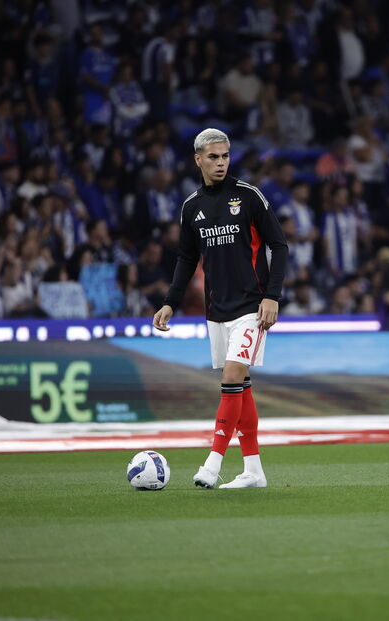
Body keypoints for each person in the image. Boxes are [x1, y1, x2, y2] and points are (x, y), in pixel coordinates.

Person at [153, 128, 288, 489]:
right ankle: (254, 471)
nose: (220, 163)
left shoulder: (249, 197)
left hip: (252, 307)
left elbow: (280, 245)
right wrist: (171, 301)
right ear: (198, 159)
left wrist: (272, 296)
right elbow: (186, 257)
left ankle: (212, 465)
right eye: (213, 157)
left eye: (225, 156)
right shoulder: (191, 207)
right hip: (216, 311)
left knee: (230, 378)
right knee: (241, 387)